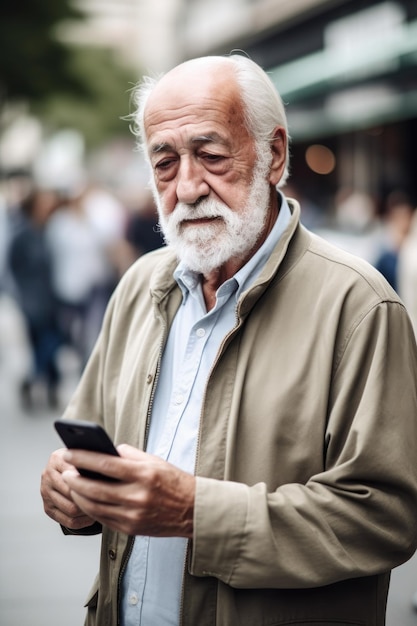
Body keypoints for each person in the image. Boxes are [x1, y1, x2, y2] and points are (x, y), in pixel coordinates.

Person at [40, 54, 417, 626]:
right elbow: (92, 445)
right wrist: (72, 492)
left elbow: (386, 517)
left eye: (211, 155)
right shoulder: (141, 284)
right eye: (164, 163)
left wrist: (196, 511)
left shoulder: (358, 304)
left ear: (275, 155)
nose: (187, 187)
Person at [9, 188, 62, 408]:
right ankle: (34, 379)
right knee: (47, 341)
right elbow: (12, 267)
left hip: (50, 297)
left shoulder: (46, 230)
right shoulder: (22, 233)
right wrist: (21, 295)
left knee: (51, 341)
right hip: (31, 300)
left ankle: (47, 384)